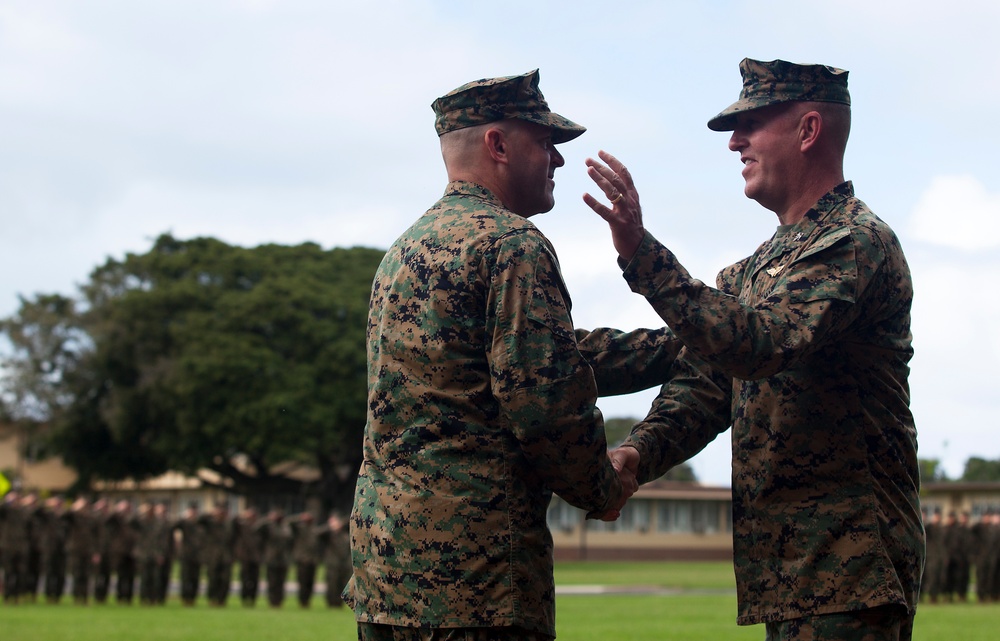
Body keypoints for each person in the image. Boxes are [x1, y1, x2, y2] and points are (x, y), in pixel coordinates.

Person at [585, 58, 923, 639]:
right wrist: (637, 456)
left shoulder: (855, 243)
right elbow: (706, 385)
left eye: (753, 124)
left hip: (852, 569)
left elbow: (762, 344)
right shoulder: (757, 268)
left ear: (809, 130)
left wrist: (643, 254)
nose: (736, 142)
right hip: (792, 573)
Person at [344, 69, 678, 641]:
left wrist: (687, 345)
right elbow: (544, 400)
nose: (559, 160)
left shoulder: (405, 250)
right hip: (477, 582)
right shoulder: (510, 244)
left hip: (388, 578)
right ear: (497, 145)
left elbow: (551, 356)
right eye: (545, 142)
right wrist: (603, 487)